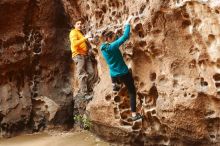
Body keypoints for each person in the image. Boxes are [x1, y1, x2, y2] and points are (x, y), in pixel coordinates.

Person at [100, 16, 143, 121]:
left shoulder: (103, 48)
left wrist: (114, 33)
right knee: (132, 91)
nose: (115, 38)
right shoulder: (113, 46)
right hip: (123, 72)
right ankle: (134, 115)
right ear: (109, 39)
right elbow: (125, 37)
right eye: (113, 37)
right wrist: (127, 23)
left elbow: (114, 40)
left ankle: (115, 85)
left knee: (114, 75)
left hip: (114, 74)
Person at [69, 19, 94, 100]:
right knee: (82, 74)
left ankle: (89, 89)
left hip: (85, 55)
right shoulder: (73, 32)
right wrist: (85, 37)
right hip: (78, 55)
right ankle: (85, 94)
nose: (80, 25)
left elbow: (84, 43)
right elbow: (74, 44)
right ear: (74, 25)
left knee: (91, 72)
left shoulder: (80, 33)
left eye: (80, 24)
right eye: (78, 24)